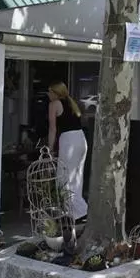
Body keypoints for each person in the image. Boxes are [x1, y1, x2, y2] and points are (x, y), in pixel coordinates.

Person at [47, 82, 88, 221]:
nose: (48, 94)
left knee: (64, 177)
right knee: (77, 176)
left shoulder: (54, 104)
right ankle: (74, 211)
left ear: (56, 93)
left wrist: (50, 149)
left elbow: (52, 129)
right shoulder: (72, 103)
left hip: (69, 140)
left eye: (50, 92)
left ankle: (80, 211)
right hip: (81, 138)